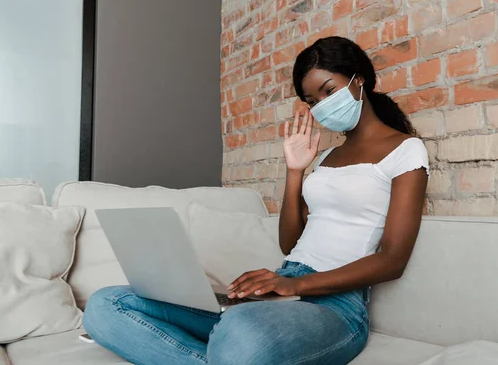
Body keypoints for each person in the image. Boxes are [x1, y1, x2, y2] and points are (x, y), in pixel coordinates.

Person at [82, 36, 429, 365]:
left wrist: (295, 284)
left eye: (328, 91)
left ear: (359, 80)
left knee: (240, 330)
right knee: (107, 304)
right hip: (282, 291)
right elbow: (290, 243)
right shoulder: (324, 160)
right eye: (312, 102)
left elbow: (392, 260)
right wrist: (295, 172)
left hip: (336, 307)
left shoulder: (406, 150)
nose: (322, 107)